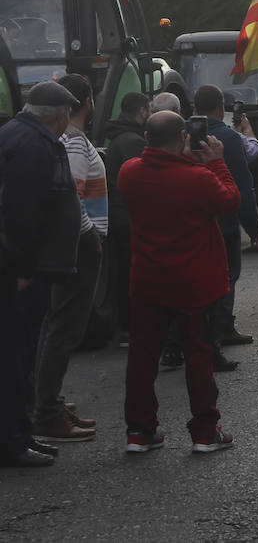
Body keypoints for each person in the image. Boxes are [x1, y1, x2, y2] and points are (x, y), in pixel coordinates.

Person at [120, 110, 239, 455]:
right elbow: (230, 200)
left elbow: (158, 176)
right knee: (198, 358)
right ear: (183, 140)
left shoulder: (129, 174)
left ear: (146, 140)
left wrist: (187, 161)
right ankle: (204, 431)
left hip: (147, 283)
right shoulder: (198, 178)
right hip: (193, 285)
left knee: (142, 359)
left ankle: (140, 432)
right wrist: (214, 162)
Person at [0, 80, 82, 468]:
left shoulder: (20, 135)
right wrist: (21, 269)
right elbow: (21, 214)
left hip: (26, 267)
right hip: (23, 271)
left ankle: (21, 434)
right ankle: (13, 442)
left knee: (19, 355)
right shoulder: (33, 145)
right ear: (61, 114)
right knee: (16, 357)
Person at [31, 74, 107, 442]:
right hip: (80, 246)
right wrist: (90, 233)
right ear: (87, 102)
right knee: (64, 329)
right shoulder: (74, 142)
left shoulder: (68, 139)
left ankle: (47, 399)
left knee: (55, 326)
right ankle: (46, 410)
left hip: (72, 243)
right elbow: (71, 197)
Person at [193, 85, 258, 352]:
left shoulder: (181, 132)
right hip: (223, 221)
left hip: (190, 221)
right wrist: (255, 230)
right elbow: (243, 188)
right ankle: (221, 327)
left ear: (194, 107)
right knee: (227, 275)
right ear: (222, 108)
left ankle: (190, 331)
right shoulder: (229, 139)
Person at [104, 92, 151, 348]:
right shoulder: (133, 142)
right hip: (129, 218)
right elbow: (143, 183)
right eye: (150, 109)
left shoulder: (119, 138)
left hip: (119, 215)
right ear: (142, 111)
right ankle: (131, 330)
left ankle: (128, 328)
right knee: (133, 275)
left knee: (125, 273)